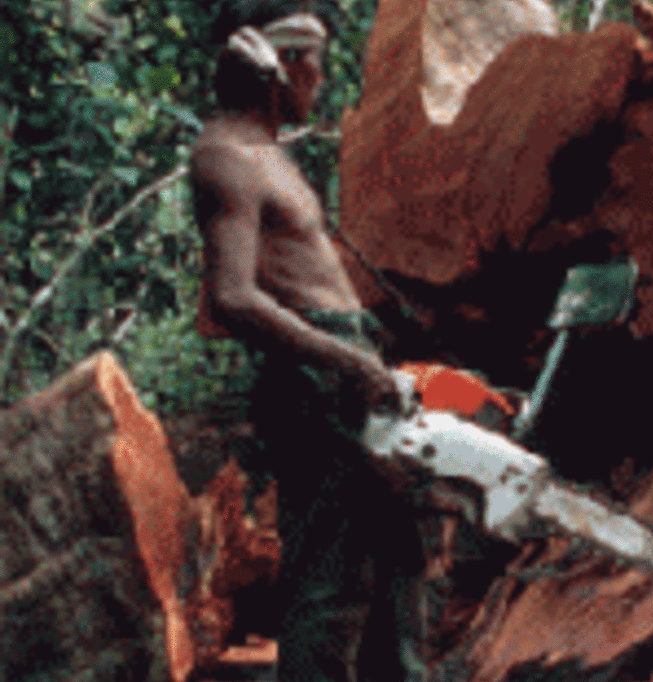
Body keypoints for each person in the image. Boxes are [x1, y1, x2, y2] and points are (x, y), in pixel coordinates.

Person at [190, 2, 423, 681]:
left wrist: (368, 343)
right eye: (315, 65)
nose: (320, 81)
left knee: (396, 551)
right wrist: (344, 358)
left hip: (344, 361)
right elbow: (233, 297)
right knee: (331, 573)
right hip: (315, 376)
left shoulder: (268, 151)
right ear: (281, 66)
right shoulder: (227, 155)